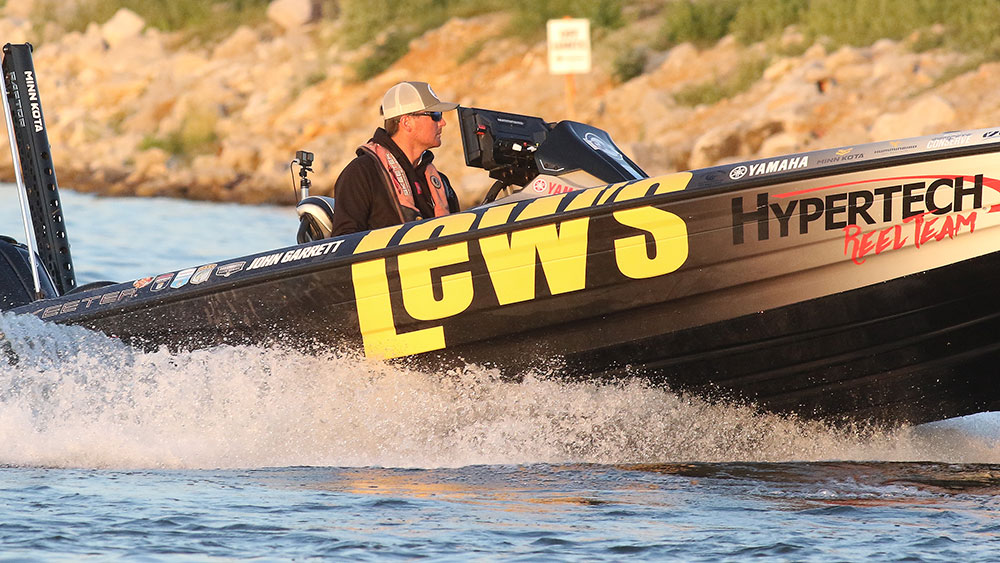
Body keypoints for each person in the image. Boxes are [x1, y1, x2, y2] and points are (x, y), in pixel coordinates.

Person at [330, 81, 461, 236]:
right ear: (406, 122)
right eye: (435, 115)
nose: (443, 123)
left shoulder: (440, 182)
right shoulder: (361, 173)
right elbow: (344, 239)